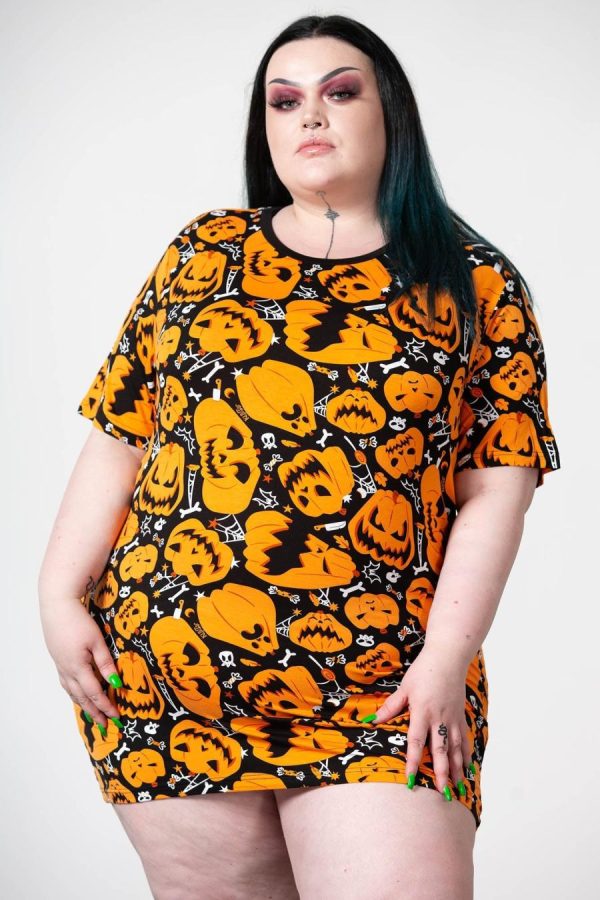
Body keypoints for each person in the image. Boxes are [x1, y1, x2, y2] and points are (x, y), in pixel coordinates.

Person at [38, 13, 561, 900]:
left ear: (391, 113)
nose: (309, 115)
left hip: (386, 691)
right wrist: (56, 594)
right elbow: (122, 434)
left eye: (339, 92)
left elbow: (496, 493)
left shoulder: (475, 284)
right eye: (283, 102)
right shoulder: (202, 254)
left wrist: (446, 658)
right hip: (169, 688)